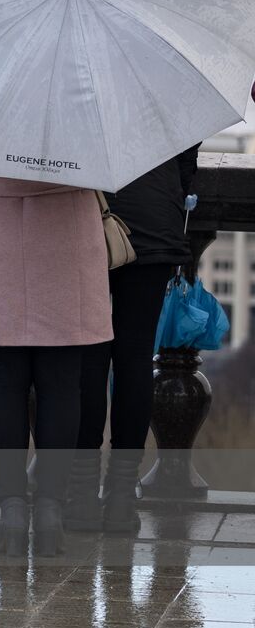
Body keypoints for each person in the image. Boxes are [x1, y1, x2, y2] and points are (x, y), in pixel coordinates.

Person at [0, 140, 112, 557]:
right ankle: (50, 508)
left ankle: (12, 508)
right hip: (67, 228)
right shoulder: (83, 83)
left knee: (6, 382)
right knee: (63, 384)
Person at [68, 147, 199, 534]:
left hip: (89, 216)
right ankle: (122, 499)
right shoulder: (169, 85)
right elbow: (186, 162)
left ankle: (82, 496)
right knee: (137, 357)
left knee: (88, 355)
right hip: (156, 219)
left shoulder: (79, 84)